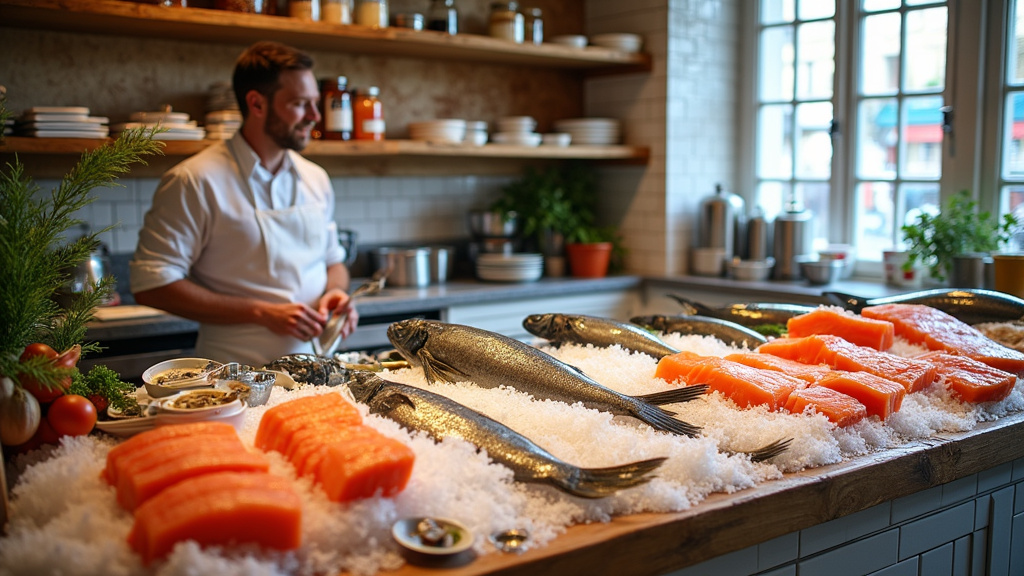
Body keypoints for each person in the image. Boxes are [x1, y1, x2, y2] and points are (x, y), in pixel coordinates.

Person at [130, 41, 359, 367]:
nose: (315, 116)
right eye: (300, 104)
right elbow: (152, 284)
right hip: (233, 376)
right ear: (257, 103)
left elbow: (333, 263)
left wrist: (335, 293)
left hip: (318, 371)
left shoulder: (315, 178)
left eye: (315, 103)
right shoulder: (195, 180)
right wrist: (260, 312)